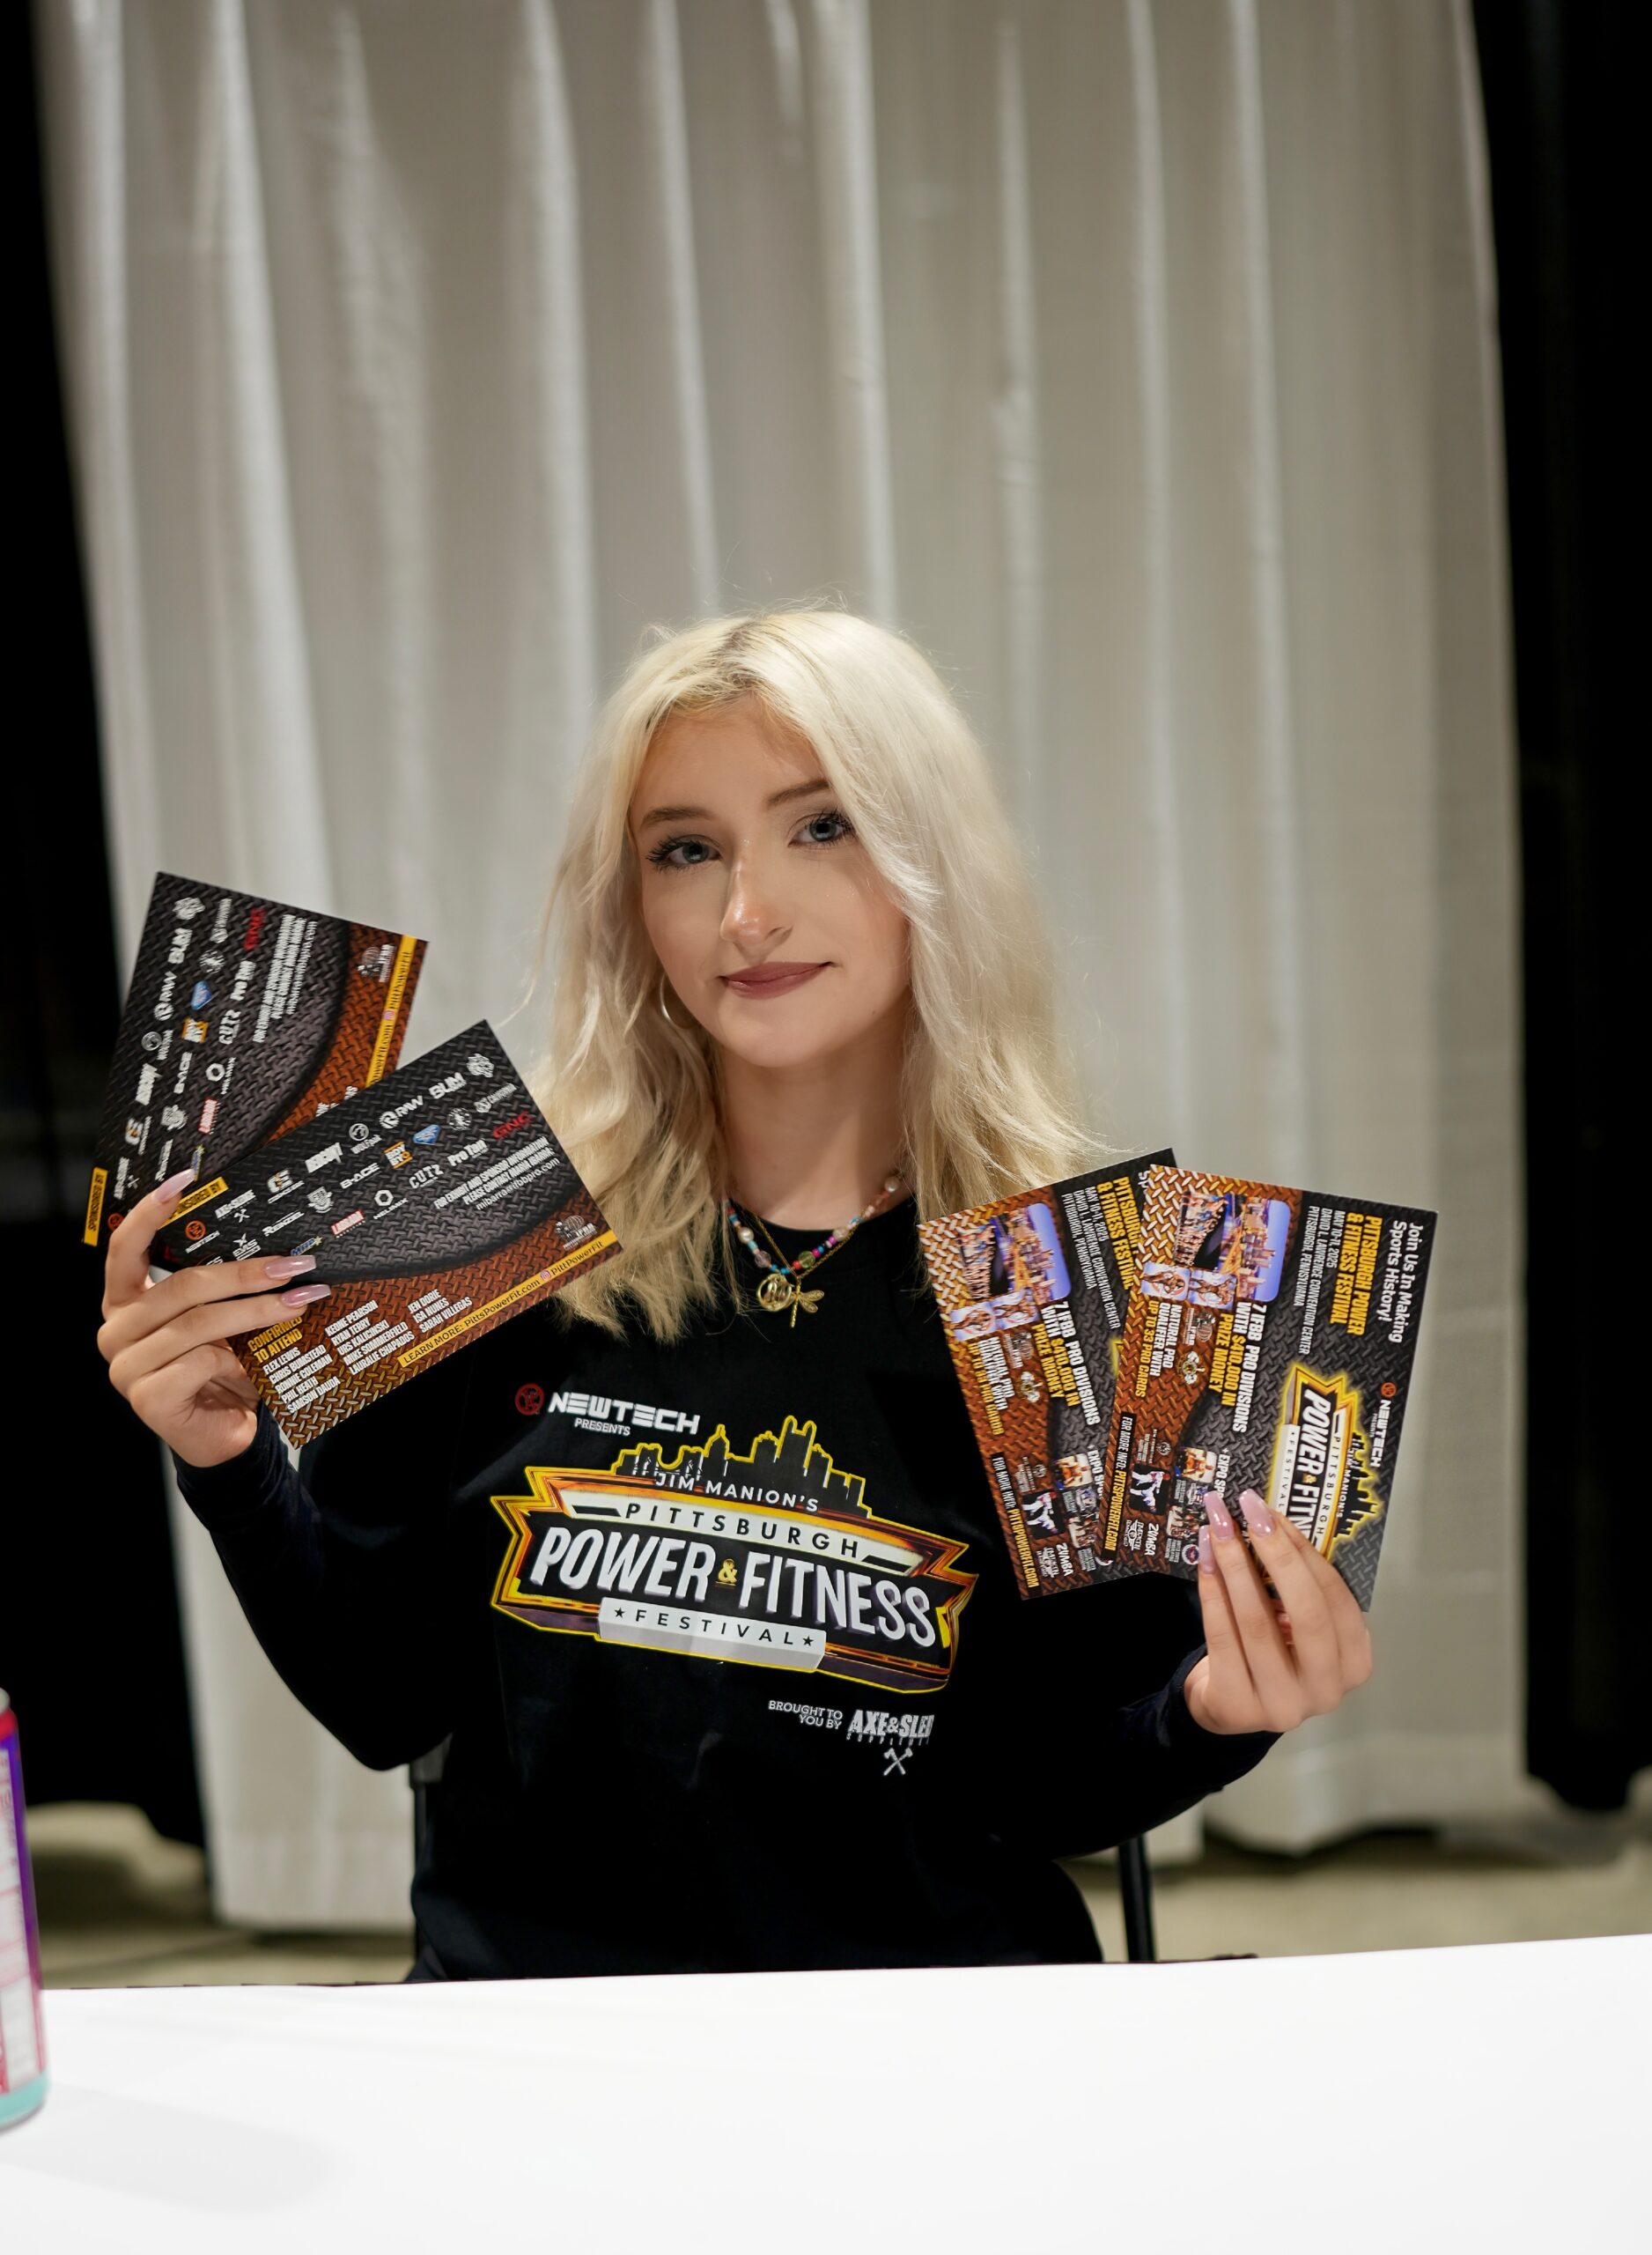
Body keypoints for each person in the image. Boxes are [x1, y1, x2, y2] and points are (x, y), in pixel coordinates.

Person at [96, 607, 1373, 1980]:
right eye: (686, 851)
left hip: (928, 2042)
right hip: (542, 2037)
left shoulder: (1079, 1289)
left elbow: (1049, 1792)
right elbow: (382, 1696)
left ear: (933, 861)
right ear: (633, 905)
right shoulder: (484, 1232)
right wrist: (230, 1462)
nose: (748, 913)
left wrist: (1219, 1712)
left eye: (822, 826)